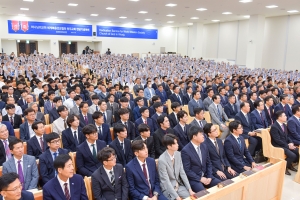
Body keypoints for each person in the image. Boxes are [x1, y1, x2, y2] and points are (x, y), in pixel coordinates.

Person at [181, 126, 221, 192]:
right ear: (194, 137)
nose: (203, 136)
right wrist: (200, 178)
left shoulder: (204, 146)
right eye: (201, 134)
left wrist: (209, 176)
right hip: (195, 179)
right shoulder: (185, 151)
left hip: (206, 175)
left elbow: (209, 163)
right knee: (203, 193)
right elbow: (187, 170)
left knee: (221, 185)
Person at [158, 134, 195, 199]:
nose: (178, 145)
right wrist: (177, 197)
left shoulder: (178, 154)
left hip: (179, 185)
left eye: (177, 142)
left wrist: (189, 189)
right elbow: (166, 181)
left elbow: (182, 173)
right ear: (169, 146)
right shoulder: (162, 160)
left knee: (191, 197)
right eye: (175, 143)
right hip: (168, 188)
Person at [270, 110, 299, 175]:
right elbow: (277, 140)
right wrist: (288, 146)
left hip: (285, 144)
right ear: (279, 117)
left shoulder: (284, 125)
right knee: (292, 155)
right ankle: (284, 167)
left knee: (298, 151)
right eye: (284, 116)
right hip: (278, 145)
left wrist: (291, 143)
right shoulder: (274, 127)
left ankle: (289, 165)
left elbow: (287, 136)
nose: (286, 117)